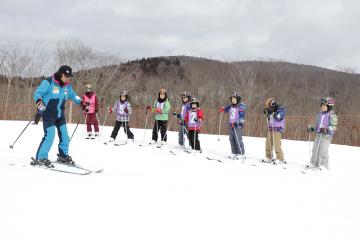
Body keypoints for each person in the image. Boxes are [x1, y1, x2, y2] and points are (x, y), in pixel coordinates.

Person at [31, 65, 81, 168]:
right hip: (48, 113)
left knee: (65, 136)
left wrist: (82, 102)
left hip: (60, 115)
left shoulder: (67, 86)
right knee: (50, 135)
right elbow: (38, 93)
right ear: (62, 74)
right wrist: (39, 101)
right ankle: (41, 157)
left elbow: (73, 95)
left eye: (69, 76)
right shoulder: (49, 82)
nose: (68, 78)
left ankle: (63, 155)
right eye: (67, 76)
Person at [306, 97, 338, 170]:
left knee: (323, 150)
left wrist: (327, 129)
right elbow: (317, 126)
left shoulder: (332, 115)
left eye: (324, 105)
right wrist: (312, 128)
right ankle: (314, 163)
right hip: (318, 134)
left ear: (329, 106)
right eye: (322, 105)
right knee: (315, 149)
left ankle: (324, 165)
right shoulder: (320, 114)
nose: (322, 107)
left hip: (326, 135)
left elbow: (334, 126)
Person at [220, 92, 247, 160]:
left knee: (238, 139)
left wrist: (237, 122)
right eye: (232, 99)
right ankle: (234, 152)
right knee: (231, 139)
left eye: (234, 99)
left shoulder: (240, 106)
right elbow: (225, 110)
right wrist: (223, 109)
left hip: (237, 125)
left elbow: (242, 118)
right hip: (230, 124)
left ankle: (241, 153)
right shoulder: (230, 106)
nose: (233, 100)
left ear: (238, 99)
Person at [263, 98, 286, 164]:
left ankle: (280, 158)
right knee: (268, 144)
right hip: (270, 128)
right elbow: (268, 118)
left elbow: (280, 117)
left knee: (277, 144)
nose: (269, 106)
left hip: (277, 129)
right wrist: (267, 113)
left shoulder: (280, 108)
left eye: (269, 104)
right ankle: (269, 157)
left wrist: (274, 112)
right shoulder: (270, 109)